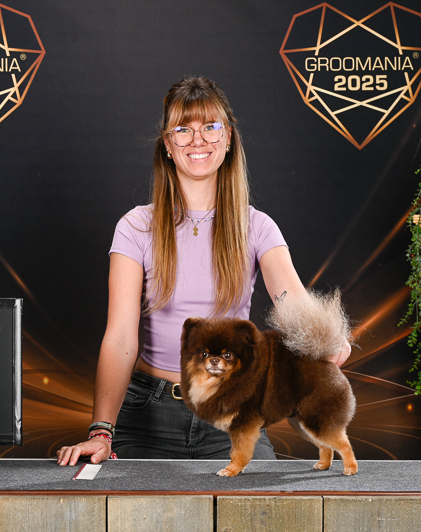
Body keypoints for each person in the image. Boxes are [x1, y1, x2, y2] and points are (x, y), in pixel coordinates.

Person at [56, 76, 351, 467]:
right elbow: (121, 337)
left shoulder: (258, 227)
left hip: (233, 409)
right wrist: (100, 431)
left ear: (227, 139)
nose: (198, 140)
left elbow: (293, 303)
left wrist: (328, 339)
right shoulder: (135, 226)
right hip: (148, 414)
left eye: (210, 127)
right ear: (167, 144)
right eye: (183, 129)